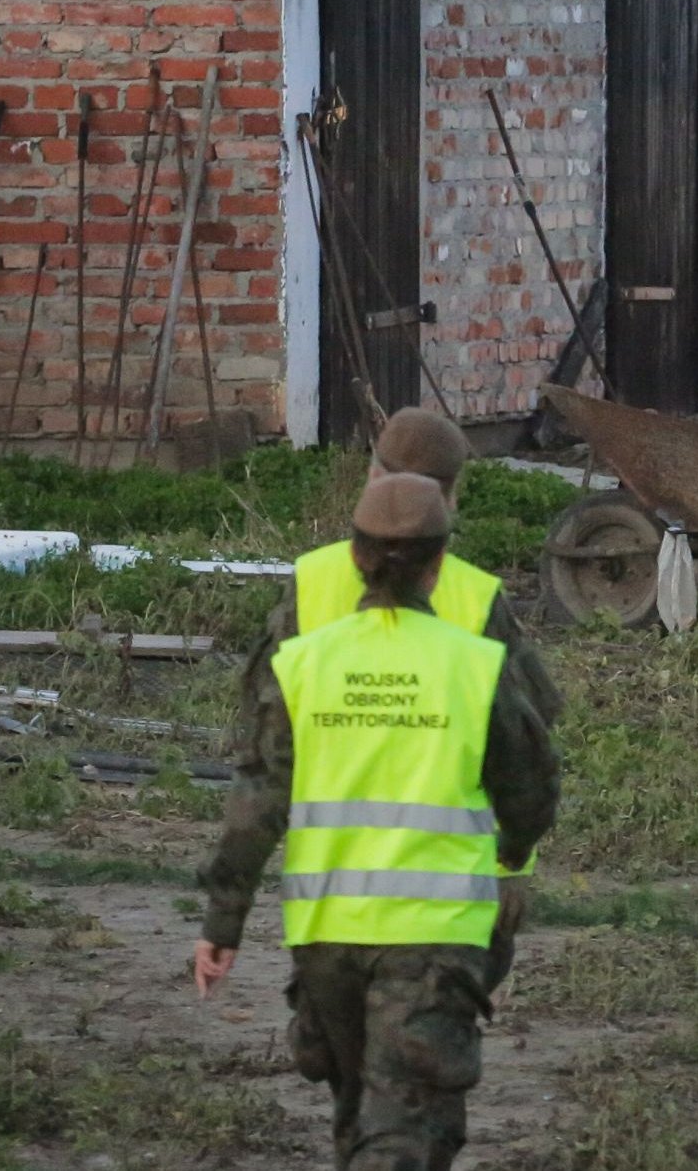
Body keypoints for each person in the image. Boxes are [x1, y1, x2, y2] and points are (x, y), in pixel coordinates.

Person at [192, 474, 560, 1171]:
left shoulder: (304, 663)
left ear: (356, 558)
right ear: (439, 563)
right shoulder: (474, 666)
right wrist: (512, 850)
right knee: (401, 1129)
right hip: (434, 936)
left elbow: (258, 800)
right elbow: (531, 789)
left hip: (326, 935)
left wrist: (223, 923)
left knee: (357, 1116)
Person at [265, 408, 559, 995]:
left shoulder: (311, 580)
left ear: (372, 475)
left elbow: (266, 739)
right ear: (450, 499)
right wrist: (514, 867)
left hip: (331, 895)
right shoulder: (476, 597)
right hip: (447, 898)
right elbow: (526, 748)